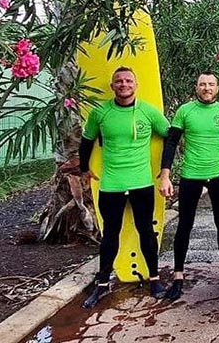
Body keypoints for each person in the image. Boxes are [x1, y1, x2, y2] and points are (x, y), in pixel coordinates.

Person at [73, 67, 171, 308]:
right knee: (109, 236)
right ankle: (103, 284)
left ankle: (155, 279)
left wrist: (166, 169)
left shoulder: (148, 111)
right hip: (111, 184)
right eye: (119, 81)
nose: (123, 84)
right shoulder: (100, 113)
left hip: (141, 183)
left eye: (128, 80)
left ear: (135, 85)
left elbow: (171, 136)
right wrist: (84, 168)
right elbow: (87, 141)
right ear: (112, 85)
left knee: (146, 232)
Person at [160, 71, 219, 300]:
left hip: (218, 175)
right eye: (202, 84)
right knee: (185, 225)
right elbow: (171, 142)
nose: (206, 88)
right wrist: (166, 174)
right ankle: (178, 275)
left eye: (210, 84)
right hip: (191, 175)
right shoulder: (185, 111)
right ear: (196, 87)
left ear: (217, 88)